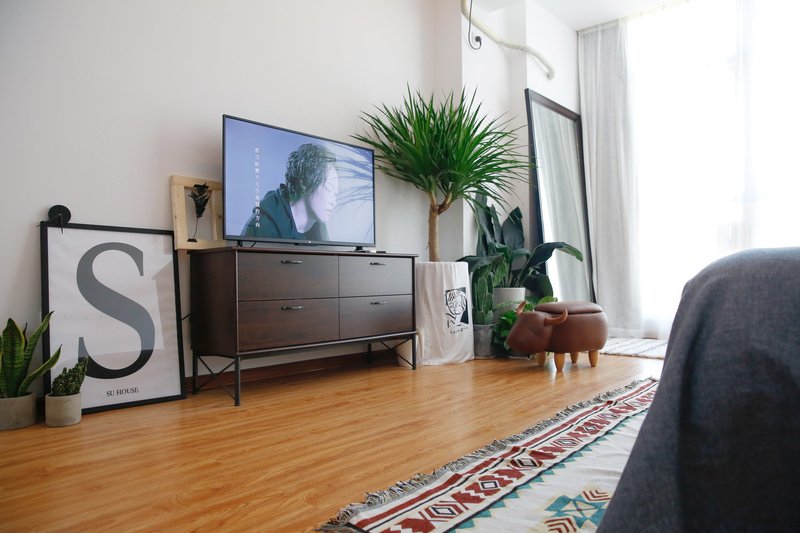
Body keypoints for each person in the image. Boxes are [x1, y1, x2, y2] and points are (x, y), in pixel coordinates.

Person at [242, 143, 339, 240]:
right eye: (329, 188)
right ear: (304, 182)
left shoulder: (320, 232)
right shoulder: (261, 226)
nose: (334, 202)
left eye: (335, 194)